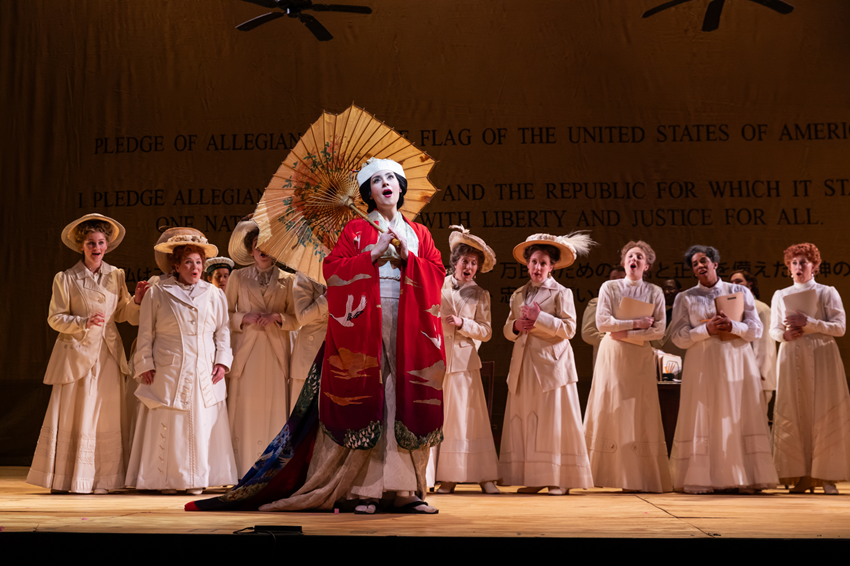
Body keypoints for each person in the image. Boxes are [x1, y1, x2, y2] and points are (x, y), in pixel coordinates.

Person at [240, 157, 445, 514]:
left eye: (391, 178)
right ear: (368, 191)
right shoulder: (354, 232)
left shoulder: (419, 233)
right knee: (373, 399)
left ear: (400, 187)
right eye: (377, 180)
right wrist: (373, 254)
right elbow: (333, 271)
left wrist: (407, 256)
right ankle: (364, 490)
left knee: (403, 398)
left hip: (408, 322)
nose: (385, 184)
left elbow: (437, 272)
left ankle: (406, 489)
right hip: (367, 322)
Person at [27, 214, 148, 494]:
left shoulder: (115, 275)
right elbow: (55, 318)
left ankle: (104, 479)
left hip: (107, 353)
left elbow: (124, 314)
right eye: (91, 242)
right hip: (76, 353)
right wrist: (82, 322)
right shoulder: (66, 278)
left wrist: (138, 301)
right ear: (82, 246)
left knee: (104, 414)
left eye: (101, 242)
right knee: (76, 412)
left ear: (107, 245)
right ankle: (65, 478)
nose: (96, 247)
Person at [125, 233, 236, 494]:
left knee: (200, 420)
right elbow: (146, 332)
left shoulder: (213, 294)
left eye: (198, 262)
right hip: (168, 366)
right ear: (176, 266)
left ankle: (197, 479)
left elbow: (223, 331)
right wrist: (144, 363)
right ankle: (168, 480)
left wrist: (222, 361)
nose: (194, 268)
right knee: (170, 420)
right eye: (188, 262)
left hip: (202, 368)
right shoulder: (158, 293)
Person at [669, 245, 778, 493]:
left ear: (715, 264)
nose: (700, 265)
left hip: (736, 361)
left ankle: (744, 477)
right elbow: (677, 337)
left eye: (704, 260)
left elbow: (756, 330)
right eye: (695, 263)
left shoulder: (738, 291)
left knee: (736, 412)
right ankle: (703, 478)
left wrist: (733, 326)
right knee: (705, 413)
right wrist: (706, 330)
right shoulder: (685, 297)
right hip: (702, 363)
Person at [498, 233, 595, 495]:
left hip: (552, 366)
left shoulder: (561, 293)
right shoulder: (518, 294)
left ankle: (560, 479)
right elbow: (508, 328)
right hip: (525, 364)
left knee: (553, 420)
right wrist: (516, 326)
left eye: (543, 263)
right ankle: (535, 476)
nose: (538, 267)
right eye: (534, 262)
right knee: (530, 419)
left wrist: (540, 318)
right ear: (527, 264)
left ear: (551, 267)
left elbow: (570, 329)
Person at [583, 241, 672, 493]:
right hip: (613, 355)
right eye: (630, 256)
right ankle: (605, 473)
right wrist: (636, 323)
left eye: (640, 257)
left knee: (638, 408)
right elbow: (602, 323)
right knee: (612, 405)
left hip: (638, 355)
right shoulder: (609, 287)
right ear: (624, 262)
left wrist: (625, 332)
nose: (634, 259)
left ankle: (637, 475)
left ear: (647, 265)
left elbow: (658, 329)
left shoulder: (654, 291)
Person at [770, 243, 850, 494]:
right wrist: (785, 334)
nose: (798, 267)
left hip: (821, 353)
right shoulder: (780, 294)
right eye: (794, 263)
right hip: (792, 353)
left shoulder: (827, 292)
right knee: (796, 411)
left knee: (822, 410)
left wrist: (810, 323)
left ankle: (827, 475)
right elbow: (773, 330)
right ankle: (803, 474)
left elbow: (839, 327)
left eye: (803, 262)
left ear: (814, 266)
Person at [225, 218, 299, 476]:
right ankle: (241, 466)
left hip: (275, 350)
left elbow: (298, 318)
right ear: (251, 249)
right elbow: (222, 314)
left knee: (274, 406)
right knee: (245, 405)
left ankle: (271, 468)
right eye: (258, 245)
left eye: (268, 244)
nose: (263, 249)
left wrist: (279, 318)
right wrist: (241, 318)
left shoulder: (288, 280)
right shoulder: (238, 276)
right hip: (247, 351)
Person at [431, 225, 500, 495]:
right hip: (439, 360)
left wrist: (463, 323)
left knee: (468, 419)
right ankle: (446, 477)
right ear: (455, 262)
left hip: (464, 361)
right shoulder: (440, 284)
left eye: (473, 263)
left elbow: (486, 331)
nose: (468, 266)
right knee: (445, 418)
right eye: (465, 261)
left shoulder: (481, 295)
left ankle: (485, 476)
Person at [730, 270, 777, 411]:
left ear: (750, 284)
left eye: (738, 281)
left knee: (758, 421)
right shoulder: (733, 310)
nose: (734, 285)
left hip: (758, 376)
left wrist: (759, 371)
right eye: (731, 282)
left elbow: (765, 345)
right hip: (738, 374)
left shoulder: (761, 308)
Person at [289, 271, 328, 415]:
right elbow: (302, 317)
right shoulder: (304, 275)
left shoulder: (343, 275)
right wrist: (327, 298)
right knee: (302, 420)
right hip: (309, 356)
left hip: (335, 352)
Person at [581, 265, 626, 366]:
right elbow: (588, 333)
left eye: (622, 278)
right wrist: (618, 340)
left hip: (631, 358)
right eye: (613, 278)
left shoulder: (635, 304)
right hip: (606, 359)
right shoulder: (597, 303)